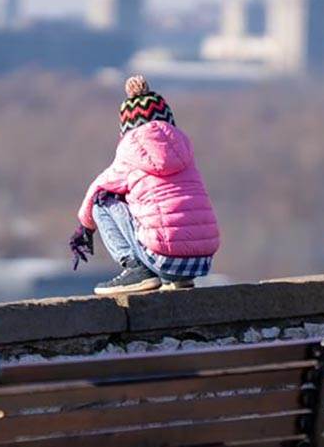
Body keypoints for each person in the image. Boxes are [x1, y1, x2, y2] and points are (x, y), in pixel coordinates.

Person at [69, 75, 220, 296]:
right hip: (202, 261)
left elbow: (97, 190)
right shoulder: (185, 150)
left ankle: (137, 270)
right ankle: (178, 280)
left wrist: (84, 228)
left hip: (164, 259)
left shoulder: (131, 150)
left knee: (101, 202)